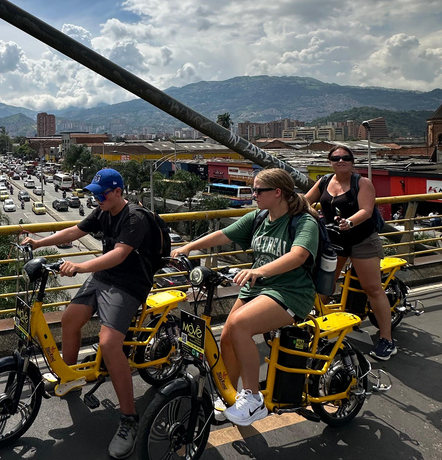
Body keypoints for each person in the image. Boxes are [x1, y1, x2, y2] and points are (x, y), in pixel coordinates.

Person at [21, 168, 155, 459]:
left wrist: (80, 266)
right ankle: (68, 376)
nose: (97, 199)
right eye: (94, 194)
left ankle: (129, 419)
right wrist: (39, 242)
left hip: (130, 283)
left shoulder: (135, 217)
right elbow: (75, 231)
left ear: (118, 191)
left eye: (101, 194)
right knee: (69, 320)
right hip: (104, 277)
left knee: (109, 345)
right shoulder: (103, 211)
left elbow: (119, 254)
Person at [171, 168, 319, 427]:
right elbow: (223, 235)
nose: (254, 195)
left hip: (289, 291)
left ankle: (253, 399)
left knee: (240, 326)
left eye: (258, 190)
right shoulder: (259, 217)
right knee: (227, 335)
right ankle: (231, 395)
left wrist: (258, 270)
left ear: (277, 192)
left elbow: (298, 256)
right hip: (258, 288)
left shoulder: (304, 222)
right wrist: (188, 247)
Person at [305, 145, 394, 360]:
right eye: (335, 158)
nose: (340, 161)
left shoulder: (362, 183)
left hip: (362, 240)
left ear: (352, 162)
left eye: (345, 158)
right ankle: (314, 330)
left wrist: (349, 221)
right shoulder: (325, 181)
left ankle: (387, 339)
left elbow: (366, 210)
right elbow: (305, 201)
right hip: (334, 240)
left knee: (372, 288)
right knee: (324, 286)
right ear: (330, 162)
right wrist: (312, 213)